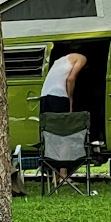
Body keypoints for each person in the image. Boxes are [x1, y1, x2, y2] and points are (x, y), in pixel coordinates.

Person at [39, 48, 88, 188]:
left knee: (50, 134)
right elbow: (71, 78)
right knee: (64, 134)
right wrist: (70, 98)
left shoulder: (59, 61)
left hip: (44, 97)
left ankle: (53, 174)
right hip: (59, 97)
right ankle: (63, 175)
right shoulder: (82, 58)